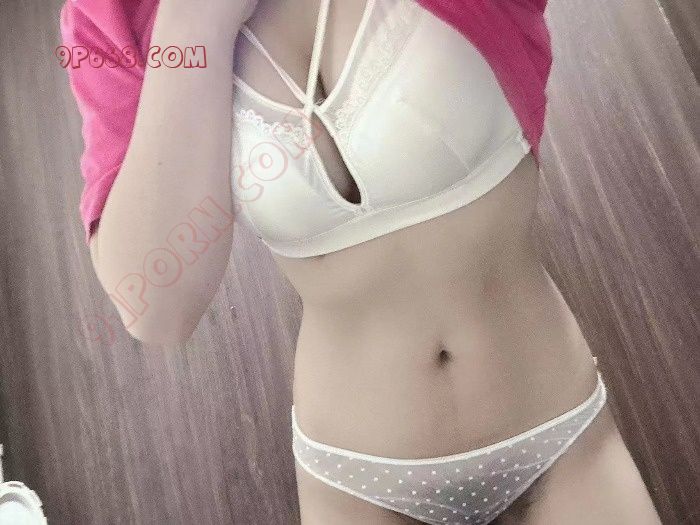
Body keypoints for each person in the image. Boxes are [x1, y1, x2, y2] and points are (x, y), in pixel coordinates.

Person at [61, 0, 661, 523]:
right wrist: (194, 22)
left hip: (556, 438)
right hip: (356, 482)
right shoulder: (109, 19)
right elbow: (157, 309)